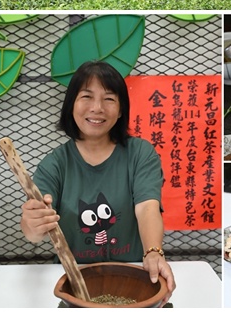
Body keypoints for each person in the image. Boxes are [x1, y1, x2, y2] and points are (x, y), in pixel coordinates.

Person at [19, 61, 175, 301]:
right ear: (71, 104)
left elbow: (147, 208)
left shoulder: (140, 153)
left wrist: (153, 253)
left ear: (121, 109)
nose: (97, 108)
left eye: (109, 99)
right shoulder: (55, 164)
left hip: (134, 271)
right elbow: (34, 231)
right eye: (86, 97)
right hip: (75, 277)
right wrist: (32, 224)